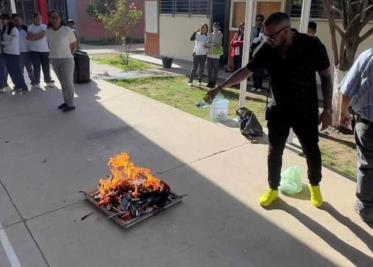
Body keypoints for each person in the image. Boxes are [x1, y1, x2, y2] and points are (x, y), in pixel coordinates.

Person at [205, 12, 333, 208]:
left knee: (311, 150)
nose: (269, 40)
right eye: (266, 36)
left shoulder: (311, 45)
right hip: (279, 109)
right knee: (274, 151)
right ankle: (273, 189)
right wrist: (220, 87)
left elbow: (325, 76)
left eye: (271, 36)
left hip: (305, 110)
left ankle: (315, 187)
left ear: (286, 30)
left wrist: (328, 110)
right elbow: (246, 71)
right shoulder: (268, 49)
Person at [339, 48, 373, 223]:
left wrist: (343, 112)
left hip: (368, 123)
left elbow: (347, 89)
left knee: (367, 165)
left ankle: (366, 208)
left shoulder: (367, 57)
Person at [46, 10, 77, 112]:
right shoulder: (48, 30)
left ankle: (71, 104)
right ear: (49, 19)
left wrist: (68, 54)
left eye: (56, 17)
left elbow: (74, 45)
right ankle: (66, 101)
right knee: (62, 83)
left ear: (60, 18)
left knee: (68, 82)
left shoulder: (67, 30)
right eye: (52, 17)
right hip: (55, 60)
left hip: (67, 60)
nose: (54, 19)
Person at [0, 14, 28, 92]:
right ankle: (17, 86)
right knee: (11, 71)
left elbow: (13, 41)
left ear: (8, 19)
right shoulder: (4, 28)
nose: (2, 21)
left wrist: (2, 42)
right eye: (1, 19)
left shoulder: (14, 29)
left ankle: (24, 87)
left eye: (3, 19)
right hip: (6, 53)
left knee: (17, 71)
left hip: (14, 54)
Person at [27, 13, 54, 88]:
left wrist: (33, 37)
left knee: (46, 66)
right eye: (38, 18)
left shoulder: (44, 26)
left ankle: (48, 81)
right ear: (34, 19)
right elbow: (30, 36)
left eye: (40, 18)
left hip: (44, 50)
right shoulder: (30, 27)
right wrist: (37, 35)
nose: (39, 20)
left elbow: (41, 36)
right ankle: (37, 82)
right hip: (34, 51)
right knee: (36, 67)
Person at [12, 14, 35, 86]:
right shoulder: (11, 30)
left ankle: (34, 81)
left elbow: (31, 39)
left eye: (19, 20)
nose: (18, 21)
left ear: (21, 20)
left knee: (29, 68)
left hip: (27, 52)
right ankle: (21, 84)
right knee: (19, 70)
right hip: (17, 53)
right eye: (15, 20)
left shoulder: (26, 29)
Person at [205, 22, 223, 88]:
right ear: (212, 27)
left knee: (215, 70)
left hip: (216, 55)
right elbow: (207, 44)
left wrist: (213, 43)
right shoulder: (209, 34)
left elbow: (219, 44)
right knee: (209, 70)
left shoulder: (220, 35)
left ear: (219, 28)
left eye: (217, 27)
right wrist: (213, 44)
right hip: (209, 55)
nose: (215, 28)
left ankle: (213, 83)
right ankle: (209, 82)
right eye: (214, 26)